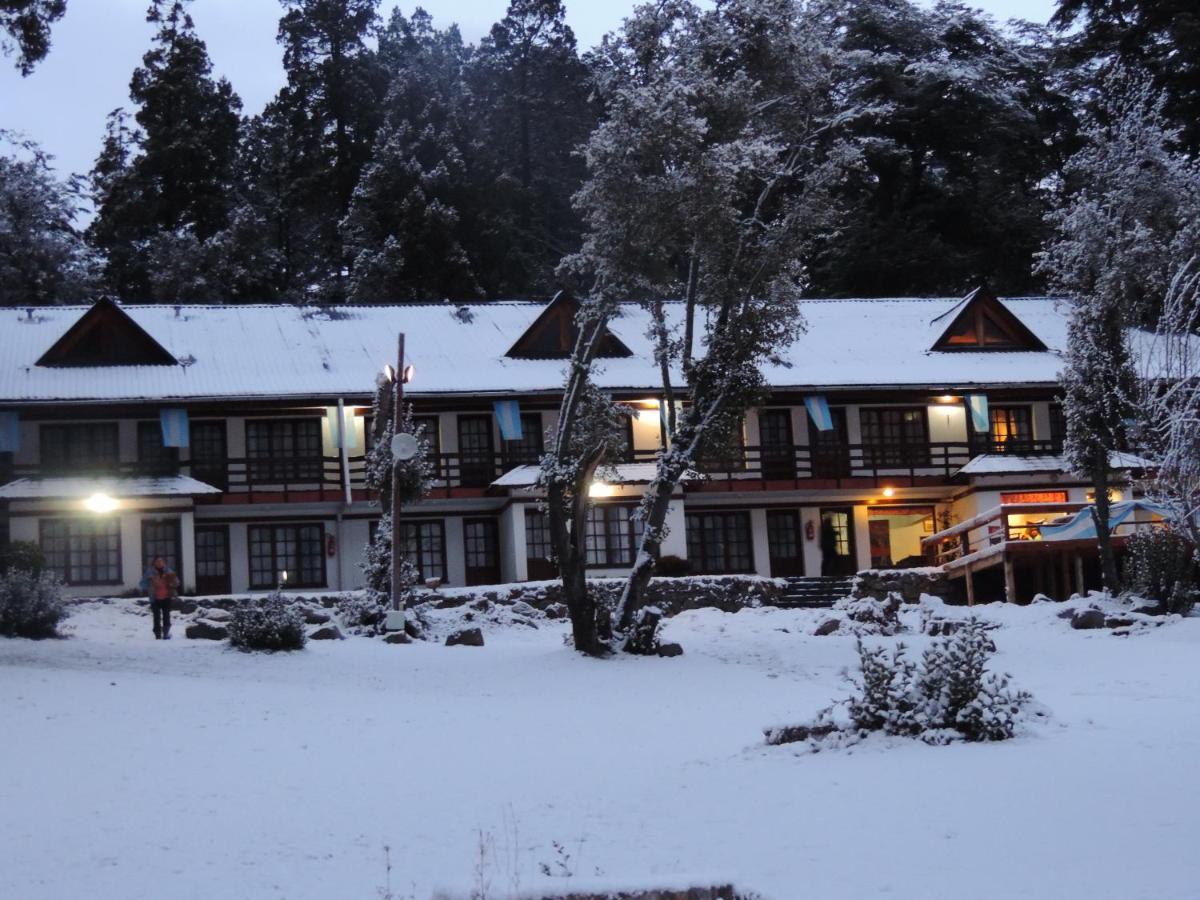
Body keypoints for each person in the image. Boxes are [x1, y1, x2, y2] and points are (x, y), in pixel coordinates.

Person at [139, 557, 180, 640]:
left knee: (166, 616)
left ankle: (166, 633)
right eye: (157, 561)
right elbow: (141, 584)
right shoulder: (150, 572)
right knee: (156, 617)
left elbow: (177, 582)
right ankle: (157, 634)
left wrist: (172, 582)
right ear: (154, 563)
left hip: (167, 597)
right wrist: (150, 582)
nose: (159, 563)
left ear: (164, 563)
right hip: (154, 598)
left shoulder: (168, 571)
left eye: (161, 561)